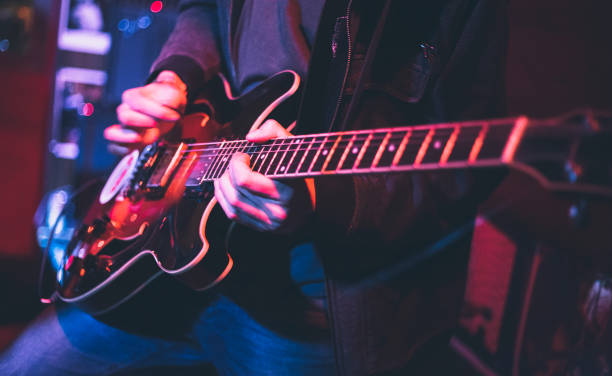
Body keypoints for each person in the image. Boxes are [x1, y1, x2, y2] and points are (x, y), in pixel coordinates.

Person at [0, 0, 507, 375]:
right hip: (176, 254)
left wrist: (315, 198)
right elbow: (203, 10)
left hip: (308, 304)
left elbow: (458, 171)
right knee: (26, 367)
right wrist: (174, 78)